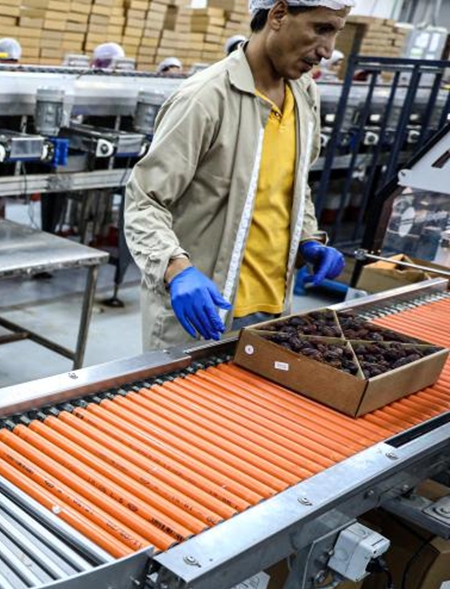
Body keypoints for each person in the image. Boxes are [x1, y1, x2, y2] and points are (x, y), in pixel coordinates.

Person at [124, 0, 352, 351]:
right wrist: (175, 268)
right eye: (321, 28)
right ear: (277, 15)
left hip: (276, 310)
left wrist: (307, 238)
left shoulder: (305, 93)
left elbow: (294, 181)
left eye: (336, 33)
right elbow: (144, 199)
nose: (328, 50)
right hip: (203, 313)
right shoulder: (205, 99)